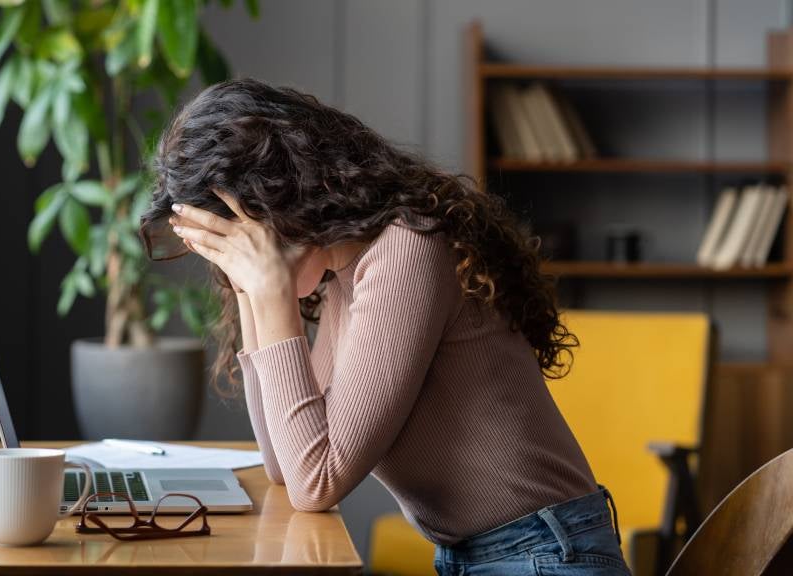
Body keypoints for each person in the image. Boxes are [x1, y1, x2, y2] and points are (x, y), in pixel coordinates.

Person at [139, 78, 631, 576]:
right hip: (487, 557)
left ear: (277, 198)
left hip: (546, 556)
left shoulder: (407, 247)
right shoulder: (343, 276)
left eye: (234, 241)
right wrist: (248, 290)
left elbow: (317, 482)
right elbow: (284, 467)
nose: (232, 265)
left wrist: (269, 291)